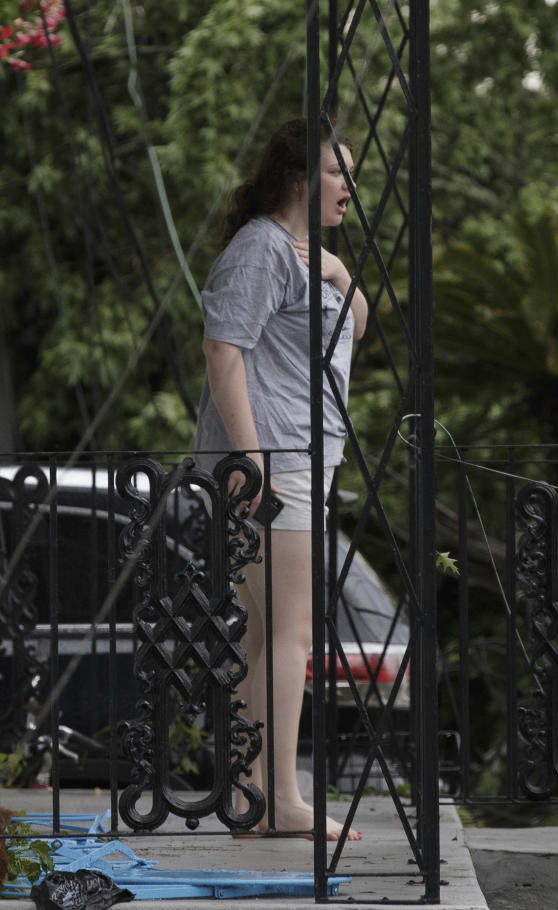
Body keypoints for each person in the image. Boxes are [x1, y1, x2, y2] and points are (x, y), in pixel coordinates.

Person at [193, 117, 366, 841]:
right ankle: (283, 801)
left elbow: (356, 322)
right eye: (338, 174)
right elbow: (222, 348)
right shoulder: (262, 247)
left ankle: (253, 798)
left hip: (300, 459)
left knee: (268, 636)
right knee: (291, 631)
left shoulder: (302, 253)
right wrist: (252, 456)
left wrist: (339, 272)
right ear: (299, 177)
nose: (351, 190)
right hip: (278, 462)